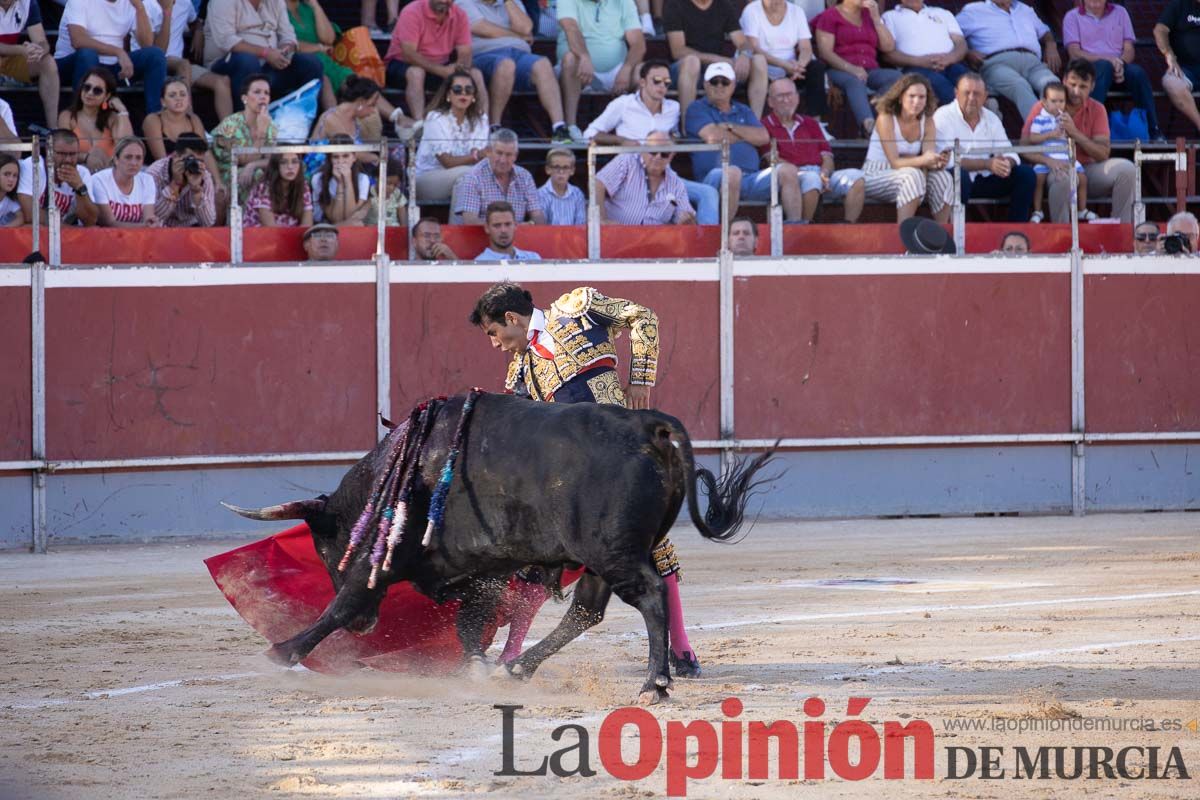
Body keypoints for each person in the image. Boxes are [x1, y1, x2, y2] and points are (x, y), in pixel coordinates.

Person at [468, 281, 702, 678]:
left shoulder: (578, 307)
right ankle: (512, 653)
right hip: (572, 483)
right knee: (536, 557)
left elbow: (643, 317)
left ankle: (682, 650)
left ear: (511, 319)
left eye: (494, 333)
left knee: (655, 547)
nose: (495, 344)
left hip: (622, 459)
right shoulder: (518, 375)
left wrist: (641, 376)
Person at [582, 59, 720, 225]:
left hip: (664, 174)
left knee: (708, 193)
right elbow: (589, 134)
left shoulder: (674, 108)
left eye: (667, 83)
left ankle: (707, 247)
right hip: (628, 172)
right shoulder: (624, 104)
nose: (662, 86)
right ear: (642, 82)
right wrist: (621, 141)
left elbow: (676, 136)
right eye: (656, 81)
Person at [1019, 58, 1134, 224]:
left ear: (1092, 87)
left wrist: (1074, 133)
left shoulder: (1097, 109)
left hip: (1087, 169)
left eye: (1083, 87)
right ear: (1064, 80)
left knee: (1127, 169)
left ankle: (1121, 233)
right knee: (1065, 178)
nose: (1075, 91)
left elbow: (1103, 154)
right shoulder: (1045, 105)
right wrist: (1048, 160)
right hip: (1053, 167)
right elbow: (1024, 146)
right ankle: (1062, 238)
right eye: (1072, 84)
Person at [685, 62, 804, 222]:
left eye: (725, 82)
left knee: (788, 170)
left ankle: (794, 229)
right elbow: (713, 136)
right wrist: (747, 135)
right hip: (713, 177)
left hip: (751, 178)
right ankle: (723, 236)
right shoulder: (697, 108)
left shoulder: (744, 110)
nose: (719, 86)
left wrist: (730, 127)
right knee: (732, 172)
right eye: (714, 81)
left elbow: (763, 136)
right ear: (705, 85)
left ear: (733, 85)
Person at [460, 0, 569, 140]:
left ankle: (559, 128)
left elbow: (526, 28)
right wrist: (517, 36)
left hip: (519, 54)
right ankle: (495, 126)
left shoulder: (512, 2)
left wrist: (507, 1)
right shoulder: (464, 2)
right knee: (506, 65)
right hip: (485, 55)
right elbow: (482, 27)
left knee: (543, 63)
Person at [762, 75, 865, 223]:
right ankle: (804, 227)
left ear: (797, 97)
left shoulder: (810, 123)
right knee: (811, 179)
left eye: (790, 94)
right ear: (770, 102)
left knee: (856, 177)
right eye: (780, 96)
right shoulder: (764, 125)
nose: (786, 100)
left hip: (819, 172)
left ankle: (848, 226)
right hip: (790, 177)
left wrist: (824, 173)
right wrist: (801, 172)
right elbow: (771, 159)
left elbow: (827, 156)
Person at [934, 72, 1034, 222]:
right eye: (967, 93)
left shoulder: (991, 118)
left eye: (977, 94)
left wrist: (1005, 163)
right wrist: (987, 164)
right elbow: (945, 160)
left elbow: (1009, 152)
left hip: (985, 178)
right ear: (956, 93)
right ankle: (958, 231)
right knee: (957, 174)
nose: (972, 98)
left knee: (1025, 174)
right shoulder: (942, 116)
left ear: (985, 96)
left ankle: (1015, 233)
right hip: (957, 179)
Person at [1064, 0, 1161, 141]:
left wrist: (1120, 63)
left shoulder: (1120, 13)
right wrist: (1110, 60)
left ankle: (1153, 130)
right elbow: (1074, 53)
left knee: (1138, 73)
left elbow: (1129, 50)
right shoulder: (1072, 16)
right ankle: (1087, 127)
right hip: (1089, 71)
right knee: (1104, 66)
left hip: (1118, 68)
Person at [861, 72, 953, 222]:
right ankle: (903, 235)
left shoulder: (928, 121)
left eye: (921, 97)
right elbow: (895, 162)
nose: (916, 102)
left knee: (944, 178)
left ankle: (941, 235)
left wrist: (937, 161)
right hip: (877, 172)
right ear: (900, 97)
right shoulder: (886, 117)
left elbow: (927, 157)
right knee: (912, 176)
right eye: (911, 96)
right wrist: (925, 160)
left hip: (913, 171)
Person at [203, 0, 323, 113]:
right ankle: (246, 126)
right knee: (247, 61)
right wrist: (266, 53)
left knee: (311, 63)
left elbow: (288, 35)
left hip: (270, 64)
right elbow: (227, 41)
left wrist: (285, 51)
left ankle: (302, 124)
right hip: (229, 64)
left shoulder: (276, 2)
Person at [53, 0, 167, 113]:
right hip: (73, 65)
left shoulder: (130, 3)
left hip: (111, 67)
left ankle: (155, 117)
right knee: (88, 54)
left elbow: (146, 44)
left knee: (155, 55)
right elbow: (78, 40)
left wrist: (140, 8)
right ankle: (80, 115)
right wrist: (118, 52)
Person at [664, 0, 768, 121]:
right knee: (692, 62)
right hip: (684, 70)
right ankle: (687, 125)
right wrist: (721, 60)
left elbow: (742, 42)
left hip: (716, 69)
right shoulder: (675, 4)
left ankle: (755, 123)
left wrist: (744, 54)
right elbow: (678, 51)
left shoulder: (723, 4)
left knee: (758, 60)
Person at [956, 0, 1060, 119]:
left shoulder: (1025, 9)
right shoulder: (974, 10)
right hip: (997, 63)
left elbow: (1044, 31)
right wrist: (967, 53)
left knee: (1052, 85)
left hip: (1033, 63)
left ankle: (1061, 132)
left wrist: (1051, 44)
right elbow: (951, 33)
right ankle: (1041, 132)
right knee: (1020, 86)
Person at [385, 0, 487, 122]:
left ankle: (483, 123)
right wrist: (442, 71)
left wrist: (460, 69)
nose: (444, 1)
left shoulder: (460, 15)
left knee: (476, 75)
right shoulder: (412, 11)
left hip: (439, 66)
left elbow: (465, 52)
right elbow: (409, 54)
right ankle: (419, 124)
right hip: (401, 63)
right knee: (416, 73)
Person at [556, 0, 646, 137]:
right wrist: (584, 56)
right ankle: (570, 127)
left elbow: (638, 43)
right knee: (570, 60)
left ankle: (639, 131)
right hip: (578, 71)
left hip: (617, 72)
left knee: (643, 71)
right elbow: (571, 29)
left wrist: (626, 69)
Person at [814, 0, 901, 137]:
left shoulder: (870, 15)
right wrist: (851, 68)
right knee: (855, 81)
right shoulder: (829, 16)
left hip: (870, 69)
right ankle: (868, 127)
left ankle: (873, 118)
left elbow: (888, 47)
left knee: (897, 78)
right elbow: (825, 52)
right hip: (839, 69)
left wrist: (877, 20)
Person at [141, 0, 234, 120]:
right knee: (184, 65)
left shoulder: (185, 3)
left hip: (179, 66)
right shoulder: (148, 5)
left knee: (222, 82)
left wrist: (199, 31)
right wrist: (167, 12)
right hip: (154, 64)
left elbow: (194, 22)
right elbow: (157, 53)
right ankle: (189, 121)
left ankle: (230, 134)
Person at [740, 0, 827, 125]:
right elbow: (754, 49)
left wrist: (800, 66)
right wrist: (783, 65)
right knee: (759, 63)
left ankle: (816, 125)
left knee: (816, 67)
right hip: (762, 69)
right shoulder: (752, 10)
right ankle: (756, 125)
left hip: (792, 70)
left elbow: (806, 47)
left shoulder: (796, 11)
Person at [414, 69, 489, 203]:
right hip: (426, 179)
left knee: (467, 179)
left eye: (468, 89)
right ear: (448, 94)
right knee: (468, 175)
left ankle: (463, 223)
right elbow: (447, 162)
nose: (463, 93)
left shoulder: (481, 119)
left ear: (474, 96)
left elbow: (480, 158)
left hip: (466, 176)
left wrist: (478, 155)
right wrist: (475, 156)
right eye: (457, 89)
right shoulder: (436, 118)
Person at [595, 130, 696, 225]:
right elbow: (598, 183)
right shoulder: (627, 162)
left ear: (672, 156)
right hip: (616, 236)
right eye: (653, 151)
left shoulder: (676, 183)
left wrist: (686, 219)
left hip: (653, 241)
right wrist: (601, 219)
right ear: (643, 150)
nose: (658, 157)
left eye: (664, 153)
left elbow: (685, 214)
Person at [1024, 82, 1091, 224]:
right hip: (1047, 156)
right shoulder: (1040, 119)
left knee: (1083, 178)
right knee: (1039, 179)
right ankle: (1037, 211)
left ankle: (1082, 210)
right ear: (1044, 103)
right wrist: (1050, 135)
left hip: (1065, 156)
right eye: (1053, 101)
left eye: (1061, 101)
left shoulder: (1066, 119)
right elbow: (1033, 138)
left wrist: (1069, 131)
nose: (1058, 105)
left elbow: (1072, 139)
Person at [880, 0, 967, 106]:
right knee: (942, 87)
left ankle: (980, 114)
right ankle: (965, 115)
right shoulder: (889, 16)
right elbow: (888, 54)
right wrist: (920, 61)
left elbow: (961, 43)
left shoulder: (943, 13)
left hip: (950, 63)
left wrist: (950, 58)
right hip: (914, 67)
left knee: (969, 82)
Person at [451, 128, 545, 224]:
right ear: (488, 151)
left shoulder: (525, 177)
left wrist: (531, 224)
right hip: (482, 237)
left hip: (518, 237)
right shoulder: (473, 177)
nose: (503, 160)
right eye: (499, 153)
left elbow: (538, 215)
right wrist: (503, 228)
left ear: (516, 156)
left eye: (508, 155)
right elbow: (470, 221)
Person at [57, 66, 134, 173]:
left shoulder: (112, 118)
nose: (90, 93)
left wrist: (122, 111)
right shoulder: (68, 116)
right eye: (87, 87)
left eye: (97, 90)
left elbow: (127, 146)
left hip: (108, 175)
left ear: (107, 96)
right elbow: (63, 150)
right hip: (77, 174)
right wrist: (87, 157)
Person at [16, 128, 99, 226]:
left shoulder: (82, 173)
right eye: (62, 154)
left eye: (73, 154)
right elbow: (30, 213)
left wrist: (80, 188)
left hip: (63, 230)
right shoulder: (32, 165)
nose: (68, 160)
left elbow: (90, 220)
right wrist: (68, 230)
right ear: (48, 150)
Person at [0, 0, 60, 129]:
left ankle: (53, 130)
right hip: (12, 52)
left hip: (11, 59)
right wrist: (21, 49)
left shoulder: (28, 3)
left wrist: (39, 50)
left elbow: (41, 41)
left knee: (47, 63)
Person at [212, 74, 277, 193]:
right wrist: (261, 132)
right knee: (259, 175)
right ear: (244, 98)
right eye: (257, 92)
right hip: (225, 175)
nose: (263, 97)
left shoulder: (270, 124)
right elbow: (244, 160)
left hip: (250, 170)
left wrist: (253, 165)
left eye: (266, 93)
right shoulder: (230, 125)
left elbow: (271, 159)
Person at [286, 0, 352, 108]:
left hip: (326, 62)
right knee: (324, 79)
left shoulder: (307, 8)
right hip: (298, 62)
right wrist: (318, 48)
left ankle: (390, 116)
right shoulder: (276, 9)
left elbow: (328, 39)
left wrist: (315, 6)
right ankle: (333, 120)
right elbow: (285, 44)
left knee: (357, 83)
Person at [146, 131, 217, 227]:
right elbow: (153, 218)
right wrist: (174, 185)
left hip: (191, 229)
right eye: (191, 159)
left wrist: (196, 192)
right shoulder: (155, 173)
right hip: (162, 229)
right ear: (175, 156)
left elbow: (208, 223)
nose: (195, 164)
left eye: (199, 160)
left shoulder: (204, 176)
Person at [91, 136, 160, 227]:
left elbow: (148, 217)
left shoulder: (147, 180)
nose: (134, 163)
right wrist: (144, 226)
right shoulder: (99, 180)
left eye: (138, 158)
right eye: (128, 157)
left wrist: (152, 223)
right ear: (116, 160)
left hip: (136, 237)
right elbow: (109, 223)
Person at [1155, 0, 1200, 134]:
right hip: (1185, 69)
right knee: (1171, 82)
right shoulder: (1178, 5)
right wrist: (1169, 55)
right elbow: (1159, 30)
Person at [312, 133, 371, 225]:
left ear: (354, 157)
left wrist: (347, 181)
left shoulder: (363, 179)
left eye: (345, 156)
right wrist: (340, 184)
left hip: (350, 226)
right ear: (330, 159)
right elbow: (335, 219)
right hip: (326, 225)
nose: (340, 161)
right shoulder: (318, 179)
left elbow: (349, 215)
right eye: (336, 157)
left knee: (356, 224)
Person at [244, 150, 314, 227]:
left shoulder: (303, 186)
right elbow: (270, 227)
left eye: (294, 162)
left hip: (293, 235)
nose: (290, 167)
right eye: (283, 162)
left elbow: (307, 224)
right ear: (276, 166)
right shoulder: (264, 187)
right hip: (260, 235)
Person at [476, 200, 542, 260]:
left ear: (515, 225)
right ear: (487, 228)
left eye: (508, 224)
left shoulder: (533, 258)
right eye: (497, 225)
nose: (503, 230)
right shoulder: (479, 264)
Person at [537, 148, 585, 225]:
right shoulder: (540, 194)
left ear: (572, 170)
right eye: (556, 167)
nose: (561, 172)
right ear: (548, 169)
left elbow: (580, 224)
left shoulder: (577, 194)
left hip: (574, 236)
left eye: (565, 167)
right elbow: (542, 226)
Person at [0, 153, 24, 225]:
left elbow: (21, 217)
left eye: (15, 175)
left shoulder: (8, 202)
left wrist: (4, 230)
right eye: (7, 174)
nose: (11, 179)